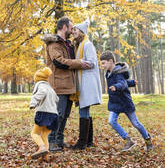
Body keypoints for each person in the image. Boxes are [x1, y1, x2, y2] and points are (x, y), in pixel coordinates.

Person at [42, 16, 91, 152]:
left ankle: (59, 140)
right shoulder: (53, 44)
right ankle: (51, 141)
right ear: (64, 27)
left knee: (65, 115)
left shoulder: (67, 44)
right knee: (57, 114)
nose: (72, 29)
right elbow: (58, 61)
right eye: (71, 26)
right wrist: (78, 63)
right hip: (58, 85)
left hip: (69, 85)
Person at [100, 50, 153, 152]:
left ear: (111, 61)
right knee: (111, 121)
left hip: (125, 102)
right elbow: (125, 82)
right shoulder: (108, 73)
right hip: (114, 102)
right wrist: (132, 82)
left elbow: (121, 83)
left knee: (136, 123)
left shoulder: (118, 72)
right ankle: (128, 140)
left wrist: (116, 87)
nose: (102, 66)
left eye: (103, 63)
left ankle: (147, 140)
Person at [71, 20, 102, 150]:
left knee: (83, 110)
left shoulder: (87, 45)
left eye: (75, 30)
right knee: (85, 110)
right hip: (83, 82)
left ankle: (82, 142)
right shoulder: (79, 46)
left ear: (81, 32)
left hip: (87, 83)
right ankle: (88, 141)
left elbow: (93, 62)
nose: (73, 32)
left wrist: (79, 62)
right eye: (72, 30)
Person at [30, 67, 59, 160]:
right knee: (45, 135)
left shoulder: (41, 86)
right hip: (54, 115)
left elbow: (41, 93)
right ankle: (45, 157)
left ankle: (42, 147)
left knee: (34, 133)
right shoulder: (50, 88)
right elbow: (57, 99)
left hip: (44, 113)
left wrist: (33, 103)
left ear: (37, 78)